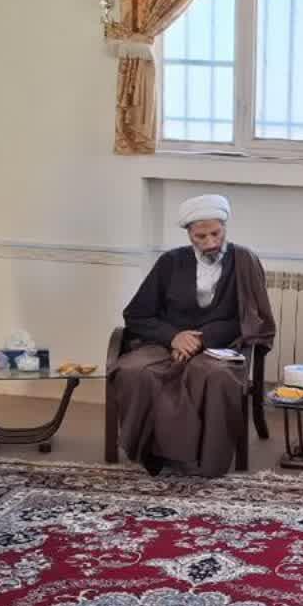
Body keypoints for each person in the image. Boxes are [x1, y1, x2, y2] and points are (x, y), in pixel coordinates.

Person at [109, 194, 276, 476]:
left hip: (220, 345)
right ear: (188, 234)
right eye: (201, 236)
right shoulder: (170, 262)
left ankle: (202, 460)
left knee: (213, 376)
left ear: (224, 228)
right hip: (165, 343)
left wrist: (201, 339)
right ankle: (155, 454)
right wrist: (174, 337)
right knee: (133, 371)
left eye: (216, 233)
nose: (210, 242)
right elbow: (137, 314)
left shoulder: (244, 261)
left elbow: (250, 318)